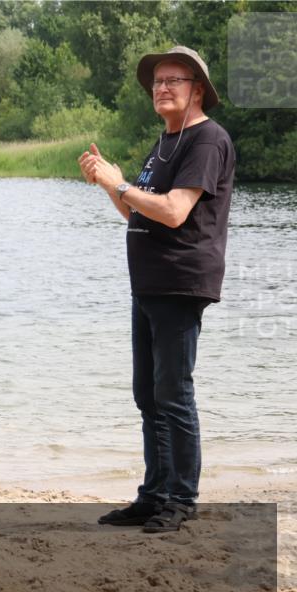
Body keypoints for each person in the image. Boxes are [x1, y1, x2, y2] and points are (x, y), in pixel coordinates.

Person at [79, 46, 236, 533]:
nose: (162, 88)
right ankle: (153, 495)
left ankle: (181, 499)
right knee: (148, 395)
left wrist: (120, 185)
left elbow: (173, 211)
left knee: (172, 393)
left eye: (173, 80)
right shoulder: (167, 140)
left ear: (197, 90)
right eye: (157, 82)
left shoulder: (206, 140)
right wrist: (110, 184)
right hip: (149, 283)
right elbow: (137, 211)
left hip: (180, 281)